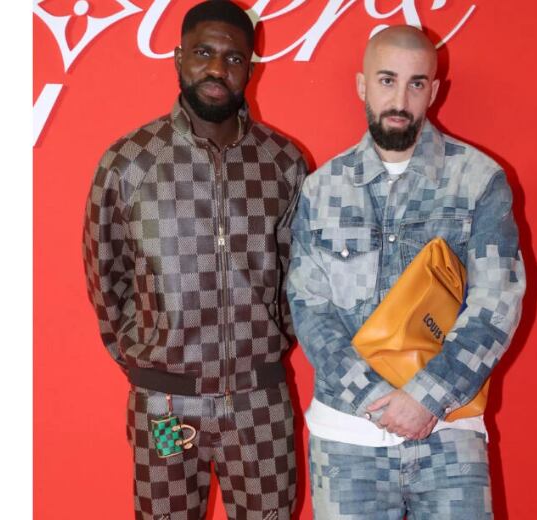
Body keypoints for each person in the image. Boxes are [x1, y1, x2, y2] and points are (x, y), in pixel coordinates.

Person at [287, 25, 526, 519]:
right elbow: (309, 308)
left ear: (434, 91)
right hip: (346, 442)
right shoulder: (321, 189)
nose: (400, 98)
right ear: (362, 85)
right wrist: (374, 397)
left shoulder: (479, 181)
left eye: (416, 84)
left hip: (449, 438)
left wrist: (427, 400)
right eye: (387, 80)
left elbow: (496, 304)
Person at [82, 2, 306, 519]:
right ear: (178, 58)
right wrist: (150, 364)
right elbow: (104, 275)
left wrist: (265, 355)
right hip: (165, 404)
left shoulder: (283, 162)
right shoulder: (130, 161)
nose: (216, 69)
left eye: (233, 58)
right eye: (203, 53)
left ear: (251, 68)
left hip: (259, 405)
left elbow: (300, 277)